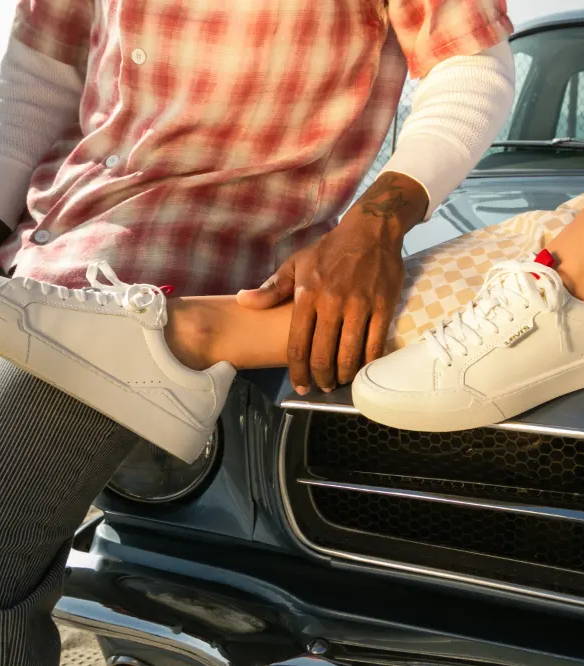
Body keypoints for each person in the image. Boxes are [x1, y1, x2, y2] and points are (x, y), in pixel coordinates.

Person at [0, 0, 516, 663]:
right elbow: (42, 76)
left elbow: (469, 60)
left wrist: (376, 223)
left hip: (174, 292)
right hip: (37, 254)